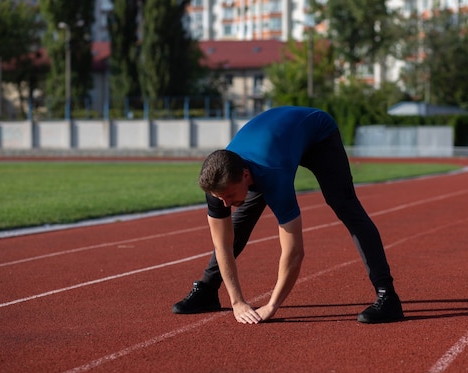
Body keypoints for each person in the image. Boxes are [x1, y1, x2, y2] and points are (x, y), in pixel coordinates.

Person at [172, 106, 404, 324]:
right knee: (239, 222)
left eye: (229, 195)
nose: (225, 202)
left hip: (318, 135)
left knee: (345, 206)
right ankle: (208, 290)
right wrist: (237, 302)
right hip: (274, 143)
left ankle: (388, 296)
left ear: (245, 175)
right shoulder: (218, 183)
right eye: (219, 196)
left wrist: (272, 306)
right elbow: (222, 245)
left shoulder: (275, 176)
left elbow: (294, 252)